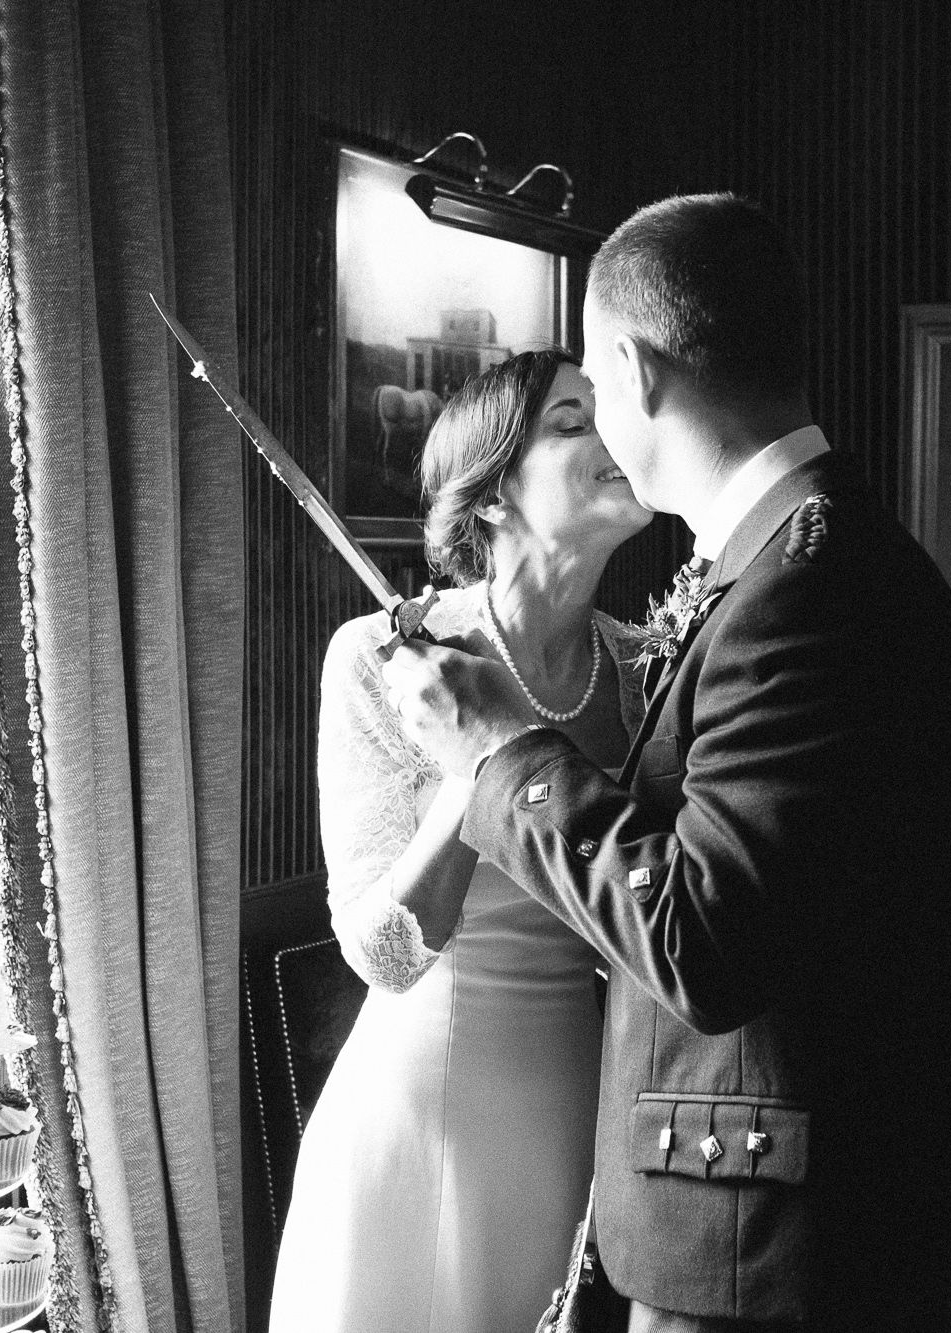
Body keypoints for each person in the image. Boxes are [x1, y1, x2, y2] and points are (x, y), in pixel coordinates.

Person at [381, 193, 951, 1330]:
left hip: (768, 1252)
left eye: (592, 391)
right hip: (774, 1215)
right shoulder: (810, 558)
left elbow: (706, 938)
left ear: (631, 367)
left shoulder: (798, 592)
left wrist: (498, 754)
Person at [269, 349, 653, 1333]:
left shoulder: (644, 673)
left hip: (587, 1109)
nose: (613, 436)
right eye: (573, 424)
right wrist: (469, 762)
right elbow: (382, 955)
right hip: (426, 1104)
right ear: (490, 500)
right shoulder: (379, 657)